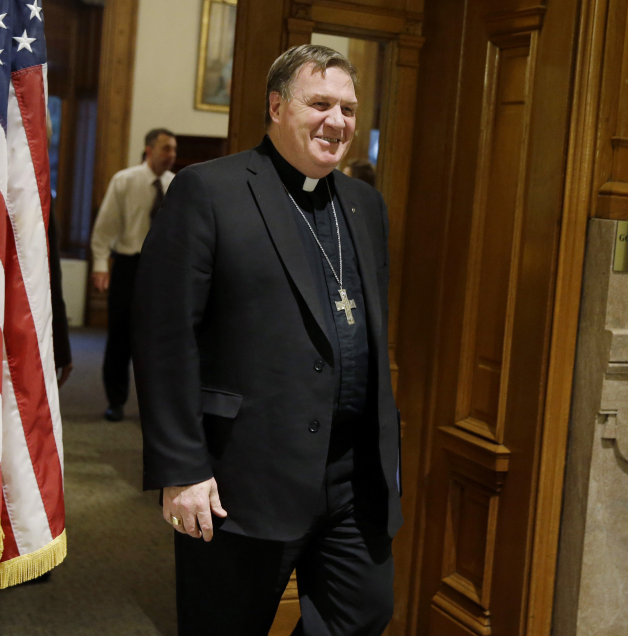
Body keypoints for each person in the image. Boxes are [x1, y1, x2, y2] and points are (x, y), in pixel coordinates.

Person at [133, 45, 402, 636]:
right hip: (241, 477)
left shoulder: (364, 206)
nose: (338, 122)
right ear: (277, 106)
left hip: (352, 478)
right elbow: (164, 336)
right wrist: (181, 467)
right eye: (321, 104)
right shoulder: (210, 191)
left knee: (364, 613)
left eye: (350, 109)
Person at [91, 128, 177, 421]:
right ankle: (115, 400)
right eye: (166, 149)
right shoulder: (125, 181)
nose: (171, 155)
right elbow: (105, 228)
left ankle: (154, 405)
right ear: (149, 150)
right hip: (130, 265)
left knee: (159, 337)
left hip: (163, 269)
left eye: (174, 150)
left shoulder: (176, 184)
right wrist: (101, 266)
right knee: (120, 335)